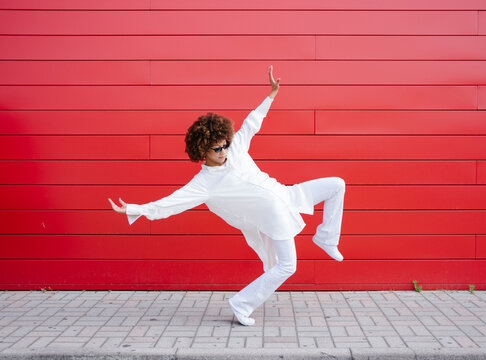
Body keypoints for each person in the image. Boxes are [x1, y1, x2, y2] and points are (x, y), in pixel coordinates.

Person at [108, 65, 345, 326]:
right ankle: (241, 304)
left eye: (224, 144)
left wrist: (272, 95)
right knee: (287, 267)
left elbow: (252, 124)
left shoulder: (236, 148)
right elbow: (171, 204)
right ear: (202, 151)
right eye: (216, 148)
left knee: (337, 184)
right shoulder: (204, 184)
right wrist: (134, 209)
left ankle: (325, 237)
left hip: (288, 195)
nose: (223, 150)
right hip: (275, 217)